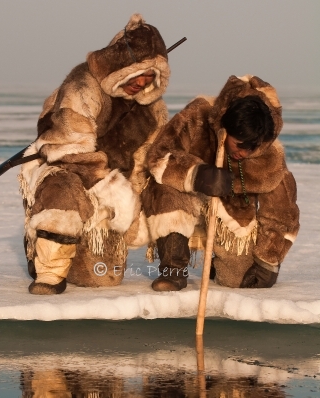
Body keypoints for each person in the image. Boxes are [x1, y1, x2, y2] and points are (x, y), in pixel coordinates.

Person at [19, 14, 173, 294]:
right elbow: (69, 148)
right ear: (121, 67)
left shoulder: (153, 110)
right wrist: (112, 188)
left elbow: (145, 160)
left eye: (150, 76)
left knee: (101, 279)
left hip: (117, 186)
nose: (141, 83)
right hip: (70, 170)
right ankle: (47, 271)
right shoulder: (83, 84)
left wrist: (134, 195)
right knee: (62, 191)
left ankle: (72, 247)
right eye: (137, 74)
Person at [146, 75, 300, 290]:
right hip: (187, 200)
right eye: (240, 144)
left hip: (231, 218)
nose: (244, 153)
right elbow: (159, 155)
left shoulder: (270, 153)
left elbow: (283, 212)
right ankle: (173, 271)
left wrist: (268, 262)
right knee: (166, 186)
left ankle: (216, 265)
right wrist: (197, 175)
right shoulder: (198, 114)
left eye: (251, 147)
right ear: (225, 130)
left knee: (241, 282)